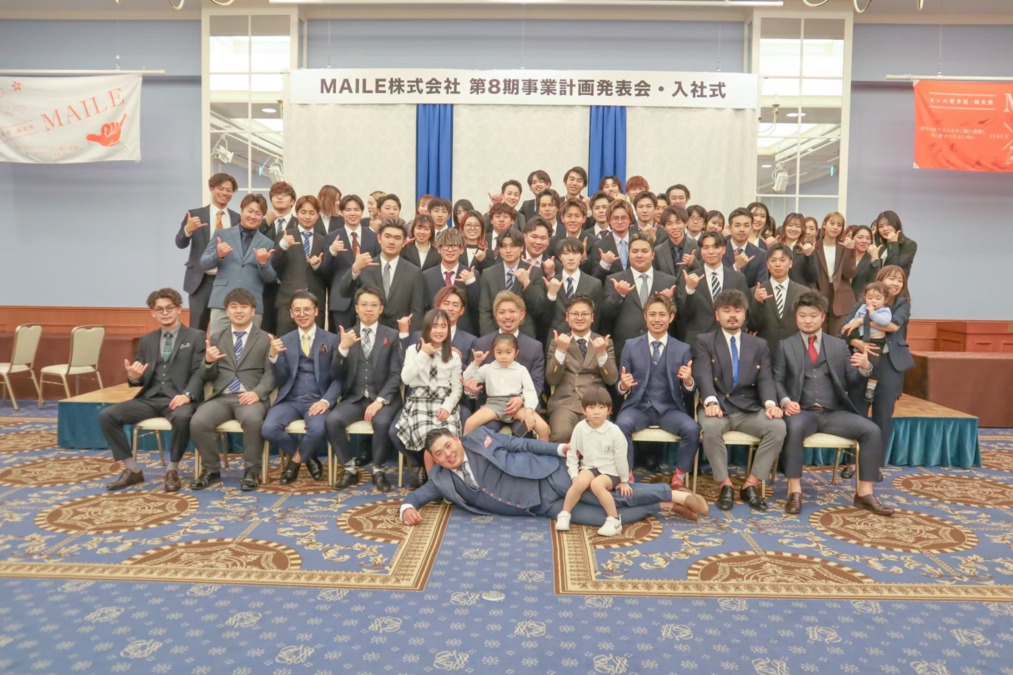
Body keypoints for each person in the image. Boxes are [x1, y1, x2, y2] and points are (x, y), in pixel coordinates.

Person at [401, 427, 709, 527]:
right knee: (605, 518)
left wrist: (560, 449)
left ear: (456, 439)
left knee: (608, 499)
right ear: (435, 459)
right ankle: (664, 506)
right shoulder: (441, 478)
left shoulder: (479, 438)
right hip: (541, 507)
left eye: (448, 446)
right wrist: (407, 509)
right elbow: (416, 497)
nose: (447, 454)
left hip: (548, 476)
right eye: (439, 454)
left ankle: (674, 494)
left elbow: (521, 444)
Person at [772, 291, 893, 516]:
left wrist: (865, 368)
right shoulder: (785, 345)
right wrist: (786, 402)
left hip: (833, 412)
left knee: (871, 430)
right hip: (802, 411)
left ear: (822, 317)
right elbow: (777, 380)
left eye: (813, 316)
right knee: (794, 428)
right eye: (802, 316)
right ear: (796, 317)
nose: (807, 320)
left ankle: (864, 493)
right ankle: (794, 491)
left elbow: (852, 381)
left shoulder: (838, 345)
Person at [100, 289, 205, 492]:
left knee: (182, 417)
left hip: (179, 398)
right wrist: (134, 376)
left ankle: (172, 470)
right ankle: (133, 470)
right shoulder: (146, 340)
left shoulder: (195, 336)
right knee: (107, 415)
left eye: (169, 308)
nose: (165, 313)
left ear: (178, 310)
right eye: (159, 309)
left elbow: (199, 372)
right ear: (153, 313)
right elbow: (139, 376)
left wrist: (187, 395)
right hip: (150, 398)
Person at [692, 290, 785, 512]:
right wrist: (711, 402)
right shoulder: (704, 341)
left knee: (778, 427)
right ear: (717, 315)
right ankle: (725, 485)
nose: (732, 315)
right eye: (726, 310)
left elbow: (765, 379)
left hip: (748, 409)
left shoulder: (759, 345)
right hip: (718, 407)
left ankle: (750, 484)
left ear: (744, 314)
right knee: (711, 427)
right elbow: (703, 374)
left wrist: (770, 405)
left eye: (737, 310)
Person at [190, 288, 275, 492]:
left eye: (244, 307)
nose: (238, 311)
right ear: (226, 311)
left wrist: (257, 393)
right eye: (233, 307)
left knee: (253, 420)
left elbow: (272, 373)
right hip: (222, 396)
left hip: (251, 396)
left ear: (252, 311)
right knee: (198, 421)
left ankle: (251, 471)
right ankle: (211, 470)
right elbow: (207, 375)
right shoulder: (217, 338)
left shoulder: (266, 338)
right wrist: (208, 362)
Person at [615, 294, 699, 486]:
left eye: (662, 314)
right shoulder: (631, 345)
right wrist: (623, 385)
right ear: (645, 316)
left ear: (671, 317)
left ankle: (679, 477)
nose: (657, 319)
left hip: (669, 409)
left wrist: (688, 381)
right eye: (652, 314)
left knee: (692, 428)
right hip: (638, 407)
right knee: (621, 425)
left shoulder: (683, 349)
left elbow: (689, 390)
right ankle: (627, 475)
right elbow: (620, 383)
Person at [327, 286, 404, 492]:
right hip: (355, 397)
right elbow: (334, 373)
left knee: (382, 422)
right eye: (364, 305)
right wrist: (343, 348)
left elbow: (396, 374)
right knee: (332, 421)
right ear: (357, 308)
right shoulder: (346, 335)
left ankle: (378, 470)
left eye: (373, 305)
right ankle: (350, 469)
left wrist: (380, 401)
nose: (368, 309)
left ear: (381, 309)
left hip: (383, 398)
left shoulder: (392, 335)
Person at [261, 291, 341, 484]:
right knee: (269, 428)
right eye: (297, 310)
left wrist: (326, 401)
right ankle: (308, 457)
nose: (302, 314)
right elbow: (281, 378)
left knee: (318, 429)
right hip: (290, 399)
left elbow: (339, 378)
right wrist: (273, 357)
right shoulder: (284, 341)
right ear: (291, 313)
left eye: (307, 309)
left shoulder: (331, 340)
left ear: (316, 312)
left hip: (318, 399)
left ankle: (294, 463)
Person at [557, 385, 647, 536]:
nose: (596, 412)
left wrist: (624, 480)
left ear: (609, 410)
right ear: (584, 410)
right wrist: (574, 475)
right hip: (590, 466)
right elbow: (572, 453)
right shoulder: (580, 428)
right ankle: (565, 513)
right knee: (580, 482)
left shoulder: (614, 431)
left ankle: (614, 519)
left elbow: (621, 458)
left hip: (611, 471)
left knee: (596, 484)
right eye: (591, 407)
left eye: (601, 407)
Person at [844, 266, 914, 456]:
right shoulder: (863, 302)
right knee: (857, 411)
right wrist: (859, 343)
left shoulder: (903, 304)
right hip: (863, 359)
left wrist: (862, 321)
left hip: (890, 363)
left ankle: (875, 462)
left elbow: (893, 326)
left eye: (899, 280)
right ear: (880, 279)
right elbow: (844, 331)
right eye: (891, 278)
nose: (895, 283)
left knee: (883, 414)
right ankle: (851, 460)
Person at [394, 309, 463, 487]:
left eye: (443, 326)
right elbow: (406, 379)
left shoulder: (454, 355)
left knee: (446, 436)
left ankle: (445, 479)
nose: (439, 330)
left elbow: (457, 389)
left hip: (443, 400)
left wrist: (447, 407)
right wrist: (423, 355)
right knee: (426, 435)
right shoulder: (413, 350)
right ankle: (431, 476)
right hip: (420, 399)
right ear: (426, 328)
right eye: (435, 326)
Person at [468, 291, 546, 436]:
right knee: (487, 433)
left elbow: (537, 382)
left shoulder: (534, 346)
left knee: (524, 432)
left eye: (512, 311)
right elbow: (474, 381)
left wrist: (522, 399)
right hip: (491, 406)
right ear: (495, 315)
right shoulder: (482, 343)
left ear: (522, 315)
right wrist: (472, 389)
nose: (507, 316)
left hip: (523, 406)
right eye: (502, 312)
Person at [199, 193, 277, 336]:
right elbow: (204, 263)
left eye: (258, 213)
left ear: (262, 217)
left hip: (252, 304)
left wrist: (263, 263)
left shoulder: (267, 243)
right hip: (222, 301)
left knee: (250, 346)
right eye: (250, 211)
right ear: (241, 210)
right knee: (218, 344)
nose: (253, 216)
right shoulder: (222, 235)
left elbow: (270, 277)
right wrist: (218, 255)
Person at [544, 295, 617, 443]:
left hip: (595, 402)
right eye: (575, 314)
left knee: (596, 438)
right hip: (565, 402)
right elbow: (551, 379)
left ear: (592, 317)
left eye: (584, 314)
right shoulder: (558, 342)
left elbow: (612, 379)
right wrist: (561, 351)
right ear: (567, 317)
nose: (579, 318)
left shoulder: (604, 342)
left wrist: (601, 354)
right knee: (562, 433)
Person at [175, 173, 240, 330]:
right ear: (211, 188)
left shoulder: (237, 218)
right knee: (197, 327)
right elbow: (180, 243)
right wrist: (187, 230)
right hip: (200, 280)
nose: (224, 193)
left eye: (229, 190)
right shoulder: (195, 215)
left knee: (226, 328)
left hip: (227, 280)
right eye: (220, 188)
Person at [600, 232, 678, 361]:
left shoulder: (669, 281)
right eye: (635, 251)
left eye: (644, 251)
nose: (639, 255)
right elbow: (605, 314)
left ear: (653, 255)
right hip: (624, 348)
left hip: (660, 348)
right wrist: (619, 294)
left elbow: (678, 319)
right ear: (628, 254)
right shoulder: (614, 280)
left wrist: (669, 301)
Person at [338, 218, 425, 334]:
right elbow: (344, 292)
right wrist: (355, 269)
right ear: (379, 238)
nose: (391, 242)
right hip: (366, 333)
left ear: (404, 242)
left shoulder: (414, 272)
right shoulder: (364, 266)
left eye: (397, 238)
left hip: (398, 335)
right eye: (387, 236)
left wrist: (409, 339)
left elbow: (417, 314)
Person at [463, 333, 549, 440]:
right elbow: (467, 379)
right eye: (499, 352)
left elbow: (530, 391)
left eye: (508, 352)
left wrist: (529, 411)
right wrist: (476, 362)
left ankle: (543, 451)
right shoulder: (487, 368)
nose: (503, 356)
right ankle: (464, 450)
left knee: (544, 428)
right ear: (493, 352)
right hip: (493, 405)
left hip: (515, 405)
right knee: (469, 423)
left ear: (516, 353)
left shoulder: (521, 369)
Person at [676, 231, 749, 347]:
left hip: (730, 341)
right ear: (701, 250)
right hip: (698, 343)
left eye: (716, 247)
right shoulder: (689, 278)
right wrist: (689, 290)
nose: (710, 252)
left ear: (724, 249)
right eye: (706, 248)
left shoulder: (738, 278)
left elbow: (745, 312)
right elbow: (681, 314)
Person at [321, 194, 380, 332]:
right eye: (348, 210)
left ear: (362, 212)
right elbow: (325, 271)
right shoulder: (332, 237)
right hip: (341, 300)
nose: (352, 213)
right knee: (342, 340)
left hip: (368, 298)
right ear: (341, 212)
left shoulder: (373, 237)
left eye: (356, 209)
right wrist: (332, 252)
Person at [270, 195, 328, 335]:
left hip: (314, 303)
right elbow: (273, 265)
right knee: (284, 343)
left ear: (318, 216)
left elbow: (329, 273)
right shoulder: (285, 235)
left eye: (312, 213)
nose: (307, 216)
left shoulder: (324, 240)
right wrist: (283, 246)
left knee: (314, 343)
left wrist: (317, 266)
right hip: (287, 302)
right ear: (297, 213)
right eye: (303, 212)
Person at [478, 229, 544, 338]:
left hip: (525, 336)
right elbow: (485, 311)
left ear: (521, 248)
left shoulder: (534, 272)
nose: (508, 250)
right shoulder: (488, 274)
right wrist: (490, 339)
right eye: (504, 246)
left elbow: (538, 309)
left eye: (513, 246)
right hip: (496, 336)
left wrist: (527, 284)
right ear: (499, 249)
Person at [534, 237, 603, 336]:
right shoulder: (549, 282)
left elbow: (597, 319)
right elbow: (543, 319)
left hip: (583, 338)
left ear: (581, 255)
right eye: (566, 253)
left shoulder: (594, 284)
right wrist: (551, 295)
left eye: (575, 253)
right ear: (560, 257)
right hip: (556, 338)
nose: (571, 258)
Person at [749, 244, 808, 353]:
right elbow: (752, 326)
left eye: (782, 260)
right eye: (773, 260)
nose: (778, 264)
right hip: (765, 351)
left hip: (795, 350)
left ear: (790, 263)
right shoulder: (756, 291)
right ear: (767, 264)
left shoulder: (803, 292)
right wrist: (757, 302)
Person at [420, 228, 480, 335]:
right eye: (446, 246)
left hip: (464, 333)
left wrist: (471, 283)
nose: (450, 250)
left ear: (461, 250)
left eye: (454, 246)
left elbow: (477, 307)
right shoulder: (426, 275)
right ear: (439, 249)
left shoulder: (472, 274)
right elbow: (423, 308)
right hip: (435, 332)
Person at [841, 281, 892, 403]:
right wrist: (849, 325)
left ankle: (871, 387)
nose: (873, 301)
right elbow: (855, 319)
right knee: (851, 360)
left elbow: (884, 322)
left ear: (885, 300)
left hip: (876, 340)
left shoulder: (885, 311)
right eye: (870, 298)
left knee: (875, 362)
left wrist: (872, 313)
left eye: (877, 298)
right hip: (861, 337)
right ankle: (845, 386)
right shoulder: (862, 307)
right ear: (865, 298)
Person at [808, 212, 857, 336]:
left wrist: (850, 251)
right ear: (824, 224)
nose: (835, 227)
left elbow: (849, 274)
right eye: (832, 223)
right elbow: (810, 274)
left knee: (838, 338)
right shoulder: (814, 246)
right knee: (819, 336)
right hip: (820, 293)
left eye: (839, 225)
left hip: (842, 298)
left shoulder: (845, 247)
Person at [260, 181, 298, 335]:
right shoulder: (263, 223)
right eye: (275, 195)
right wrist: (265, 222)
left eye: (284, 195)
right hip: (266, 286)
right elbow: (251, 242)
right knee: (265, 333)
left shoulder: (299, 224)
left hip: (289, 286)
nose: (279, 198)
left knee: (287, 334)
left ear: (292, 201)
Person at [589, 200, 637, 280]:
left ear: (630, 220)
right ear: (609, 221)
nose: (620, 222)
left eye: (624, 218)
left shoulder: (639, 241)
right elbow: (595, 280)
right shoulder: (599, 246)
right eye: (615, 218)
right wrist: (605, 264)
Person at [723, 207, 769, 288]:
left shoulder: (761, 255)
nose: (742, 229)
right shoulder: (719, 250)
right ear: (730, 228)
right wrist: (735, 267)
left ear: (751, 228)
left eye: (746, 225)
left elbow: (761, 285)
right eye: (737, 225)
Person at [653, 206, 701, 279]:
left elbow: (705, 274)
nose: (674, 227)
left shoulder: (697, 246)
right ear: (664, 227)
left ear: (686, 223)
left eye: (678, 223)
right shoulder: (658, 251)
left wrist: (693, 264)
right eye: (669, 224)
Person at [873, 210, 917, 282]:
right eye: (881, 226)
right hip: (880, 287)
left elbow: (893, 267)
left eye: (888, 224)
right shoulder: (881, 246)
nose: (885, 229)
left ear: (896, 225)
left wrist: (893, 243)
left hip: (896, 287)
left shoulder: (909, 244)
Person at [776, 212, 815, 285]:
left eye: (798, 226)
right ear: (784, 227)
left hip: (800, 290)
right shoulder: (776, 246)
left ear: (802, 230)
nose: (793, 229)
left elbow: (812, 277)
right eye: (790, 225)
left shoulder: (807, 248)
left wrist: (809, 256)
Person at [846, 225, 879, 300]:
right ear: (852, 238)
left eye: (868, 238)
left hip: (860, 301)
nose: (864, 241)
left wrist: (875, 259)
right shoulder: (844, 255)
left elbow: (875, 281)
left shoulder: (872, 259)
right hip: (841, 299)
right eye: (860, 237)